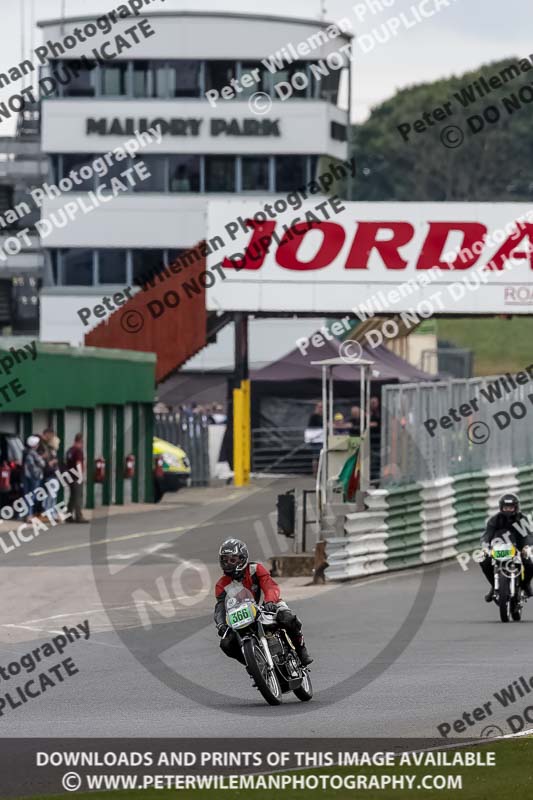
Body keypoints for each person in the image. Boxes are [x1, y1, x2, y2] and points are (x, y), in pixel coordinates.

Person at [214, 538, 313, 666]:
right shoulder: (221, 584)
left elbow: (269, 585)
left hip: (267, 605)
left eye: (232, 560)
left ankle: (301, 650)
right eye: (225, 560)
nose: (228, 564)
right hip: (244, 615)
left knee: (288, 619)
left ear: (243, 558)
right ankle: (254, 665)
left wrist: (270, 601)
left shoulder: (255, 569)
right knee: (226, 643)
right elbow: (220, 607)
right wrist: (221, 624)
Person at [479, 493, 533, 602]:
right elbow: (487, 535)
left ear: (516, 507)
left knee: (529, 562)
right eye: (505, 507)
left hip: (519, 545)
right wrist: (485, 547)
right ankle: (494, 586)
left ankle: (526, 585)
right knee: (484, 561)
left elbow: (528, 534)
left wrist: (527, 547)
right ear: (501, 507)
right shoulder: (494, 520)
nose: (508, 510)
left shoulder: (522, 519)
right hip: (500, 547)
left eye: (511, 507)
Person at [65, 433, 88, 524]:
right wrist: (80, 476)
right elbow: (78, 463)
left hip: (69, 475)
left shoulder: (70, 450)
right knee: (78, 496)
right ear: (81, 441)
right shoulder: (78, 451)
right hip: (75, 476)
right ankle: (79, 516)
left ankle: (69, 515)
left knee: (72, 496)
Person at [38, 429, 60, 520]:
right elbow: (44, 462)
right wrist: (51, 462)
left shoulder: (51, 450)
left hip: (53, 474)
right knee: (50, 495)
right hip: (49, 475)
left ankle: (52, 512)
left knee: (53, 495)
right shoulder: (43, 447)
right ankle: (47, 512)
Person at [22, 436, 45, 520]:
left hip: (25, 476)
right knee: (32, 496)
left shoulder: (24, 452)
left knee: (26, 495)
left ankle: (26, 514)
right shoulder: (33, 453)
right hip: (34, 476)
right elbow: (42, 464)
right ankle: (29, 515)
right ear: (34, 445)